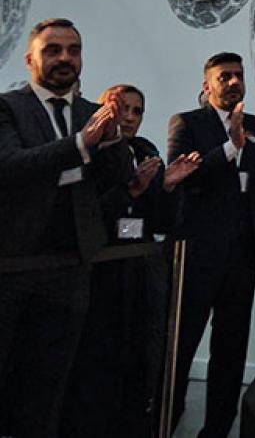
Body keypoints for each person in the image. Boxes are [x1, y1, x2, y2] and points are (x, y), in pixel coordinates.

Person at [0, 18, 125, 438]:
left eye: (73, 50)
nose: (65, 58)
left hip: (71, 266)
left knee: (50, 385)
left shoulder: (93, 113)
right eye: (53, 50)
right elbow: (11, 166)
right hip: (12, 265)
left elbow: (115, 177)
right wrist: (79, 145)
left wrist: (112, 140)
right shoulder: (8, 107)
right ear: (30, 58)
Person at [168, 52, 255, 438]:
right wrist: (229, 147)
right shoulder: (188, 123)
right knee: (183, 344)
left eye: (238, 75)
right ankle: (165, 420)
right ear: (207, 85)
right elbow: (182, 175)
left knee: (231, 346)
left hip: (244, 253)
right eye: (224, 76)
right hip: (198, 252)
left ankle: (218, 430)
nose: (234, 81)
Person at [61, 84, 201, 438]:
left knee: (139, 365)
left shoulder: (146, 151)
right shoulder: (85, 153)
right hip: (96, 278)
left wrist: (167, 188)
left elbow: (164, 223)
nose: (129, 116)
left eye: (137, 110)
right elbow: (80, 217)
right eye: (121, 107)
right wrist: (130, 191)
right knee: (93, 371)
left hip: (140, 278)